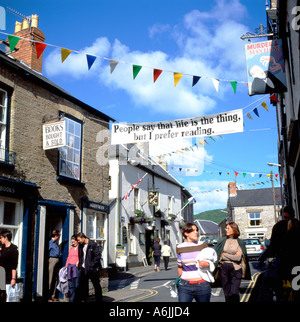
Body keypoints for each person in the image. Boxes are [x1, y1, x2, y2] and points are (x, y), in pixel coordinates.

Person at [176, 223, 217, 302]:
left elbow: (213, 261)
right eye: (193, 230)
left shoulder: (203, 245)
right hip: (185, 286)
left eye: (196, 230)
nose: (196, 232)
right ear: (186, 233)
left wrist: (207, 264)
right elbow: (180, 267)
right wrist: (179, 281)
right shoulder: (179, 247)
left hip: (202, 284)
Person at [214, 222, 251, 302]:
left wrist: (225, 255)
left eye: (228, 228)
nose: (226, 230)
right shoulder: (223, 241)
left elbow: (238, 258)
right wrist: (230, 255)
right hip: (224, 268)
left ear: (234, 229)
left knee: (234, 292)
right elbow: (218, 254)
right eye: (226, 228)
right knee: (226, 292)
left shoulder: (239, 242)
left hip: (236, 269)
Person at [76, 232, 102, 302]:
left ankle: (99, 300)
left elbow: (98, 256)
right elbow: (81, 256)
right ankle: (85, 299)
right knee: (83, 286)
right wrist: (80, 264)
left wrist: (91, 265)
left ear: (83, 238)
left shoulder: (92, 244)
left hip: (92, 269)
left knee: (96, 285)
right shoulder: (80, 245)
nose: (78, 242)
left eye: (78, 240)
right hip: (84, 269)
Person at [0, 230, 18, 302]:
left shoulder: (13, 249)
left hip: (8, 276)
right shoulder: (2, 248)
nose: (0, 239)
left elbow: (14, 265)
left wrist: (13, 279)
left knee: (7, 295)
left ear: (6, 238)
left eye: (1, 238)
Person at [65, 235, 80, 302]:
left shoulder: (80, 248)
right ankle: (71, 300)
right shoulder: (70, 248)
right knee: (71, 285)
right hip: (70, 267)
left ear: (77, 241)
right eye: (72, 242)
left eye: (74, 242)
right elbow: (68, 257)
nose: (73, 243)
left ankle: (77, 299)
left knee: (76, 284)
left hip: (76, 267)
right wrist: (66, 267)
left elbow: (82, 257)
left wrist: (79, 262)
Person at [48, 230, 61, 302]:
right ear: (55, 236)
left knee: (55, 279)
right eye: (58, 236)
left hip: (57, 260)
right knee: (50, 278)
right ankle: (48, 295)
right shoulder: (50, 243)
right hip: (52, 260)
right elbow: (47, 252)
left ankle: (53, 295)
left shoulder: (56, 243)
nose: (59, 237)